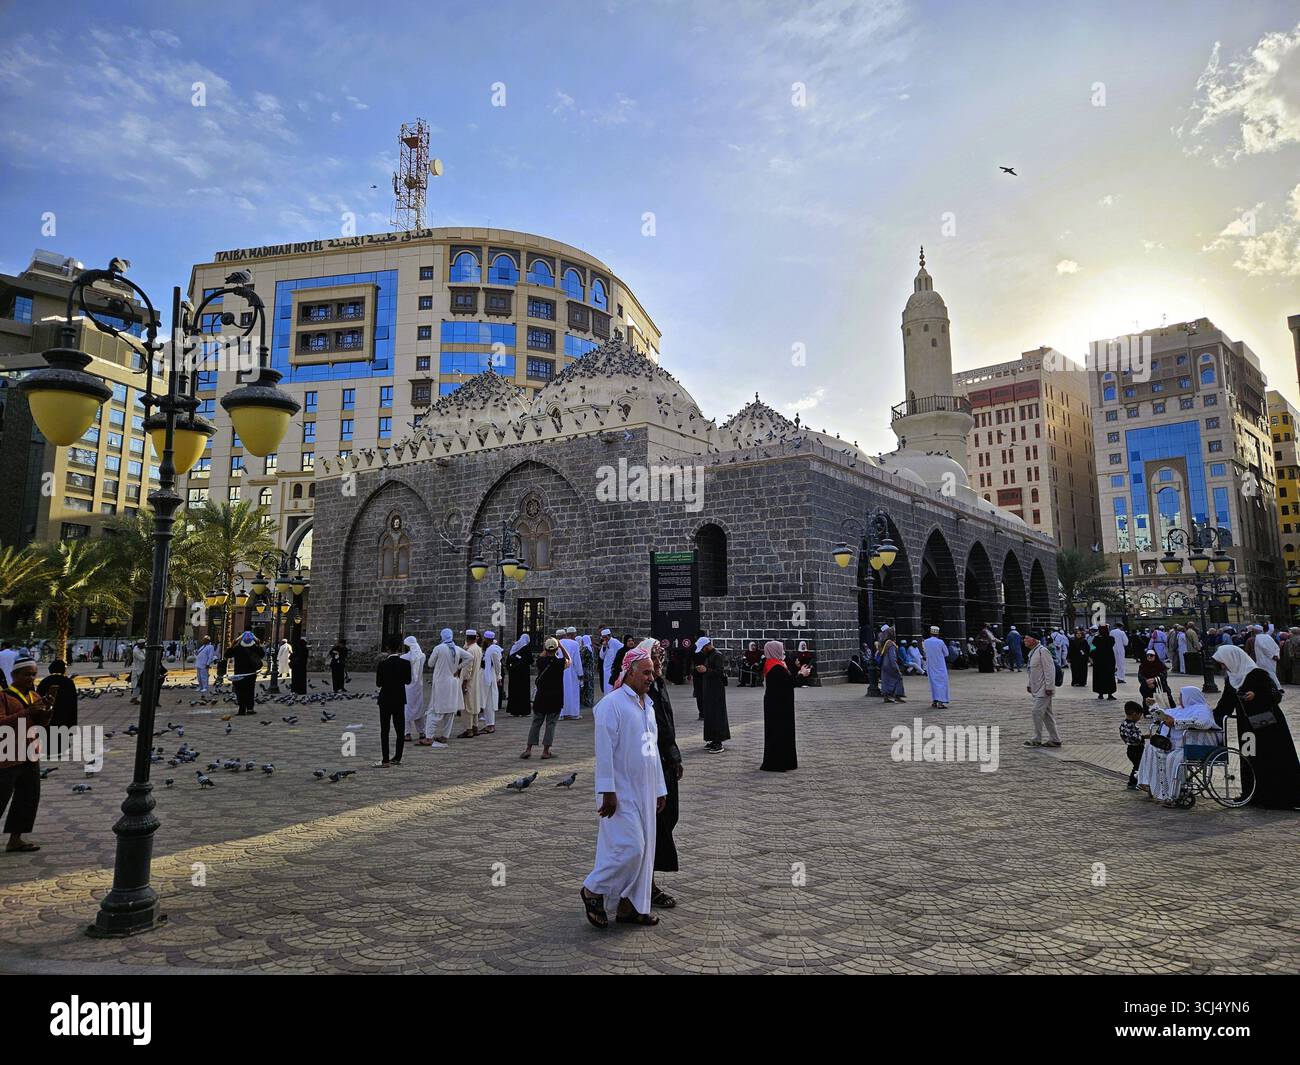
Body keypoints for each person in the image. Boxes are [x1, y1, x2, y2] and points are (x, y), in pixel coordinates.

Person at [579, 647, 666, 929]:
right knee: (632, 848)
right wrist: (607, 790)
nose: (651, 677)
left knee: (647, 849)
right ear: (630, 672)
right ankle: (593, 889)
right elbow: (603, 752)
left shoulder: (647, 706)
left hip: (646, 789)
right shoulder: (611, 705)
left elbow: (652, 751)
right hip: (620, 791)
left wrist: (660, 788)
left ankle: (632, 906)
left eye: (652, 672)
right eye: (646, 672)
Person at [1213, 645, 1300, 809]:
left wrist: (1256, 695)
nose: (1223, 667)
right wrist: (1207, 717)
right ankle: (1251, 794)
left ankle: (1281, 797)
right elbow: (1225, 705)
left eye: (1223, 663)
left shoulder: (1257, 674)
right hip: (1247, 728)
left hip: (1268, 726)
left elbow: (1275, 695)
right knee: (1249, 758)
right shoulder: (1231, 680)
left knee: (1273, 757)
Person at [0, 655, 54, 853]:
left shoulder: (35, 696)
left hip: (30, 753)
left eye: (33, 674)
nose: (30, 678)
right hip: (7, 755)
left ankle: (16, 839)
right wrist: (28, 712)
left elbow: (41, 724)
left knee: (28, 798)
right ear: (14, 675)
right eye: (26, 674)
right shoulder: (4, 696)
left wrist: (47, 711)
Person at [644, 638, 682, 908]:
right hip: (651, 767)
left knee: (669, 818)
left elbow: (667, 725)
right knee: (654, 825)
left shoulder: (658, 685)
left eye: (660, 657)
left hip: (665, 762)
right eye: (654, 658)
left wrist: (675, 756)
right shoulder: (642, 692)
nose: (659, 663)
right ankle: (646, 884)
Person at [1137, 686, 1219, 805]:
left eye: (1182, 695)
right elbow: (1164, 716)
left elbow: (1202, 723)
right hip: (1174, 745)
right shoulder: (1179, 709)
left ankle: (1174, 793)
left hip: (1195, 745)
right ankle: (1150, 784)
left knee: (1173, 758)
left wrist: (1176, 723)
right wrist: (1154, 706)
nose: (1180, 698)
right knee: (1152, 749)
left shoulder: (1202, 709)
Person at [760, 639, 806, 771]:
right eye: (781, 649)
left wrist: (799, 672)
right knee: (779, 733)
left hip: (779, 703)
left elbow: (786, 680)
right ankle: (777, 763)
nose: (783, 651)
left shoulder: (776, 664)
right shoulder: (775, 667)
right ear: (775, 651)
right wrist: (801, 675)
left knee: (782, 732)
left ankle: (785, 761)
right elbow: (789, 683)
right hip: (778, 706)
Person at [421, 629, 471, 748]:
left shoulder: (439, 648)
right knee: (450, 711)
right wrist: (458, 667)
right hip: (453, 683)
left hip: (441, 683)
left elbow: (430, 664)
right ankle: (445, 736)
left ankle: (429, 737)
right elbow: (470, 657)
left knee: (435, 710)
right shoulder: (457, 648)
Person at [522, 638, 567, 759]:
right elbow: (570, 660)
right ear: (557, 649)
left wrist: (547, 648)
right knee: (550, 724)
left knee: (536, 723)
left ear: (545, 649)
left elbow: (542, 655)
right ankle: (546, 751)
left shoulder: (540, 662)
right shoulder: (560, 662)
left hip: (541, 697)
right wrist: (561, 647)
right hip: (555, 697)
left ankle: (528, 748)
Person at [374, 638, 411, 767]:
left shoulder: (382, 664)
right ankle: (397, 757)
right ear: (399, 649)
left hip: (385, 699)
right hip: (399, 698)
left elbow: (378, 683)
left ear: (388, 649)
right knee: (400, 730)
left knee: (385, 730)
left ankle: (385, 760)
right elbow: (408, 681)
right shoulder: (406, 664)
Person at [693, 636, 730, 752]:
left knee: (717, 715)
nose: (703, 651)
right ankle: (712, 739)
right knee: (709, 715)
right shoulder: (709, 655)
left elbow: (719, 672)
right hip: (709, 689)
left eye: (703, 648)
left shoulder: (717, 655)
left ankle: (718, 741)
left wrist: (706, 670)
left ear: (707, 646)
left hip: (716, 690)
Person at [1023, 633, 1061, 748]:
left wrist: (1049, 687)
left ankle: (1037, 738)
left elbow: (1049, 670)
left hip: (1044, 689)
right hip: (1037, 688)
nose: (1025, 640)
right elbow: (1032, 671)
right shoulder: (1033, 652)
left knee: (1036, 712)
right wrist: (1029, 684)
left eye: (1027, 638)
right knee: (1047, 715)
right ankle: (1055, 739)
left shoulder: (1042, 651)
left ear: (1034, 639)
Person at [224, 632, 263, 715]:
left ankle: (241, 710)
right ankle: (250, 709)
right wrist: (258, 644)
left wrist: (232, 644)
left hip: (239, 674)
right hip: (251, 674)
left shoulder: (238, 648)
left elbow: (227, 655)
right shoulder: (254, 648)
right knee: (250, 691)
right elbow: (262, 654)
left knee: (240, 691)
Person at [36, 660, 78, 729]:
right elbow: (73, 704)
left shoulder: (45, 681)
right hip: (64, 719)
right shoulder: (68, 682)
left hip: (48, 720)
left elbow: (38, 699)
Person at [401, 635, 426, 741]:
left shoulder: (404, 658)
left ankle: (407, 733)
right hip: (418, 686)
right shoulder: (422, 656)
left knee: (407, 709)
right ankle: (422, 732)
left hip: (407, 686)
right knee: (419, 708)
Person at [459, 630, 483, 738]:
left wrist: (464, 682)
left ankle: (468, 729)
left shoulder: (470, 650)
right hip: (476, 680)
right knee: (474, 704)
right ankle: (475, 727)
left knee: (467, 705)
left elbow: (468, 668)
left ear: (467, 638)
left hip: (469, 681)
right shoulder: (478, 648)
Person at [479, 630, 502, 734]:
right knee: (487, 701)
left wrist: (498, 677)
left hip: (490, 676)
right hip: (484, 676)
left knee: (490, 701)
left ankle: (491, 725)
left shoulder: (493, 650)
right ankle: (489, 724)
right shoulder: (487, 649)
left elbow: (497, 665)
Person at [1120, 701, 1146, 790]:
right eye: (1139, 715)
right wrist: (1142, 738)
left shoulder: (1124, 724)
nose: (1140, 718)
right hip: (1136, 749)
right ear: (1134, 714)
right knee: (1138, 766)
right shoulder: (1131, 725)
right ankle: (1133, 783)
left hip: (1130, 749)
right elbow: (1136, 739)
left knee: (1137, 765)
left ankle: (1135, 782)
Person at [922, 626, 950, 709]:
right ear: (938, 634)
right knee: (942, 683)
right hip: (940, 665)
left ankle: (935, 700)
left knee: (933, 683)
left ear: (930, 633)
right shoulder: (940, 642)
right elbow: (946, 653)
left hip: (930, 665)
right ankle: (940, 703)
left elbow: (925, 652)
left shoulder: (925, 642)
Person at [506, 634, 533, 716]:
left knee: (514, 691)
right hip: (523, 674)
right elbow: (530, 660)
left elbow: (509, 659)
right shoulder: (526, 648)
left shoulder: (514, 647)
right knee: (523, 691)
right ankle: (523, 710)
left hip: (514, 673)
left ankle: (514, 710)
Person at [559, 628, 583, 719]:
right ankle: (573, 713)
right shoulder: (575, 644)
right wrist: (580, 673)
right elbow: (577, 660)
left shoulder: (558, 642)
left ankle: (561, 714)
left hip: (560, 670)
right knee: (573, 692)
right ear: (573, 634)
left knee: (562, 692)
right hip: (571, 671)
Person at [1090, 624, 1117, 701]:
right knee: (1109, 677)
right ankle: (1110, 694)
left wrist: (1092, 656)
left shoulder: (1096, 639)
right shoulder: (1111, 639)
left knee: (1100, 677)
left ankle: (1100, 694)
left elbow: (1092, 649)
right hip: (1109, 660)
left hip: (1098, 661)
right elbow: (1112, 644)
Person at [878, 628, 905, 704]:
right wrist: (896, 667)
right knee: (899, 678)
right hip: (890, 665)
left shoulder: (883, 643)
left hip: (884, 665)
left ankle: (886, 697)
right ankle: (897, 696)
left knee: (885, 680)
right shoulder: (891, 644)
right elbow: (892, 657)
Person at [598, 629, 622, 693]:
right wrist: (604, 647)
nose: (604, 639)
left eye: (605, 637)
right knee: (606, 687)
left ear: (609, 636)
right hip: (606, 669)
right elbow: (601, 656)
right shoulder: (604, 644)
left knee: (611, 687)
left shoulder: (615, 642)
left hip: (613, 669)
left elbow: (622, 650)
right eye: (603, 637)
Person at [128, 639, 146, 704]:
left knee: (139, 685)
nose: (144, 645)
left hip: (141, 669)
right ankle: (134, 698)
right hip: (137, 670)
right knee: (137, 685)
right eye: (143, 644)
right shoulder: (136, 651)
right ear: (139, 644)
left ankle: (134, 698)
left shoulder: (140, 649)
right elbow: (143, 658)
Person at [579, 635, 595, 707]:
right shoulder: (591, 648)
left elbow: (582, 660)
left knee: (586, 686)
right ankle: (590, 701)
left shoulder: (585, 649)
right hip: (591, 670)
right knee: (590, 686)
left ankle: (587, 702)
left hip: (586, 670)